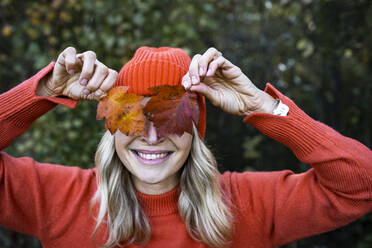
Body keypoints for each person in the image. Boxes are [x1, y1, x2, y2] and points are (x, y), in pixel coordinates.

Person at [0, 46, 371, 248]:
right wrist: (43, 93)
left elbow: (361, 184)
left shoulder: (248, 206)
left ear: (195, 130)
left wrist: (265, 107)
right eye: (132, 115)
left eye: (170, 117)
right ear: (111, 123)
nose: (151, 135)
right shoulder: (57, 198)